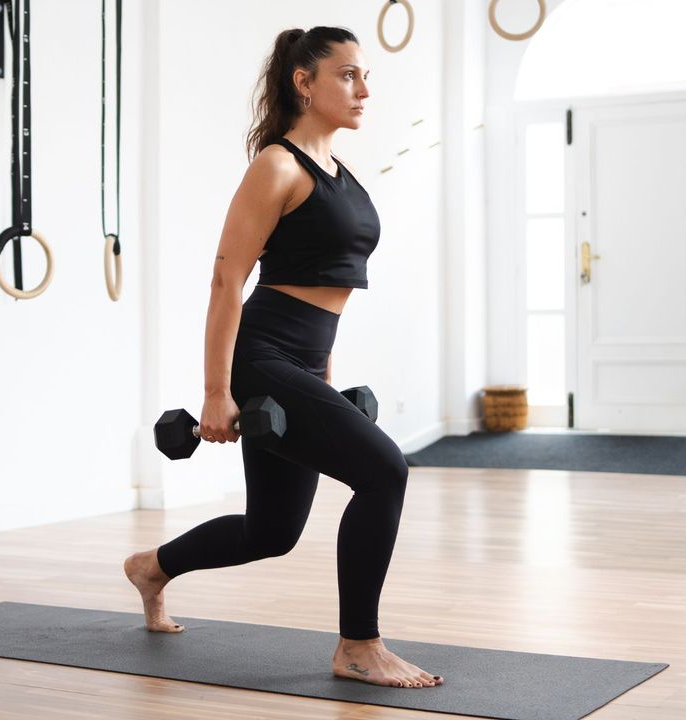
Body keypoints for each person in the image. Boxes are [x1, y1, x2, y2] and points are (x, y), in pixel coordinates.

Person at [124, 26, 442, 690]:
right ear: (305, 81)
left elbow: (327, 289)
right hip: (263, 357)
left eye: (365, 76)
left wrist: (322, 380)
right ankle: (358, 645)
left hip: (304, 362)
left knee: (272, 530)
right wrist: (217, 392)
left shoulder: (340, 174)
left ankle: (151, 567)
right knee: (385, 471)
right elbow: (226, 280)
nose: (363, 89)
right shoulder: (277, 166)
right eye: (348, 75)